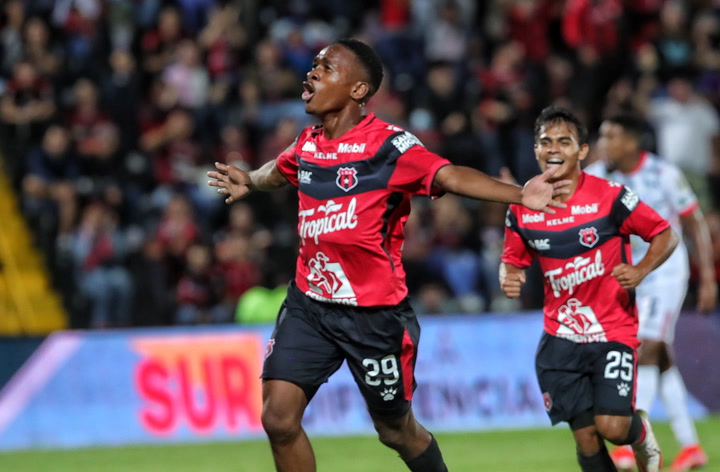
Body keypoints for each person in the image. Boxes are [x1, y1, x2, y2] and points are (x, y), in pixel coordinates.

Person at [207, 38, 569, 472]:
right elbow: (278, 170)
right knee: (278, 418)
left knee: (395, 430)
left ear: (358, 90)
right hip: (310, 304)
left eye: (326, 67)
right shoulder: (307, 144)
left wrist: (518, 195)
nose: (313, 72)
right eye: (315, 65)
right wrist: (250, 178)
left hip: (374, 315)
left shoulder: (388, 147)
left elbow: (449, 175)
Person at [499, 106, 679, 472]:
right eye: (546, 142)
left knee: (612, 427)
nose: (554, 149)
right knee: (585, 438)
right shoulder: (522, 207)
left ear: (582, 151)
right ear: (535, 150)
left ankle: (640, 431)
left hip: (612, 330)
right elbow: (512, 258)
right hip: (560, 337)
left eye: (564, 141)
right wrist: (509, 274)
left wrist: (642, 270)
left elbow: (665, 234)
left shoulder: (611, 197)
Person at [585, 114, 717, 471]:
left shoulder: (664, 174)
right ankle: (690, 446)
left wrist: (707, 278)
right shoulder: (597, 175)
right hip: (626, 275)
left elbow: (694, 223)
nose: (603, 143)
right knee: (661, 358)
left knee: (645, 348)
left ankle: (629, 443)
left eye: (610, 136)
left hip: (666, 271)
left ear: (631, 142)